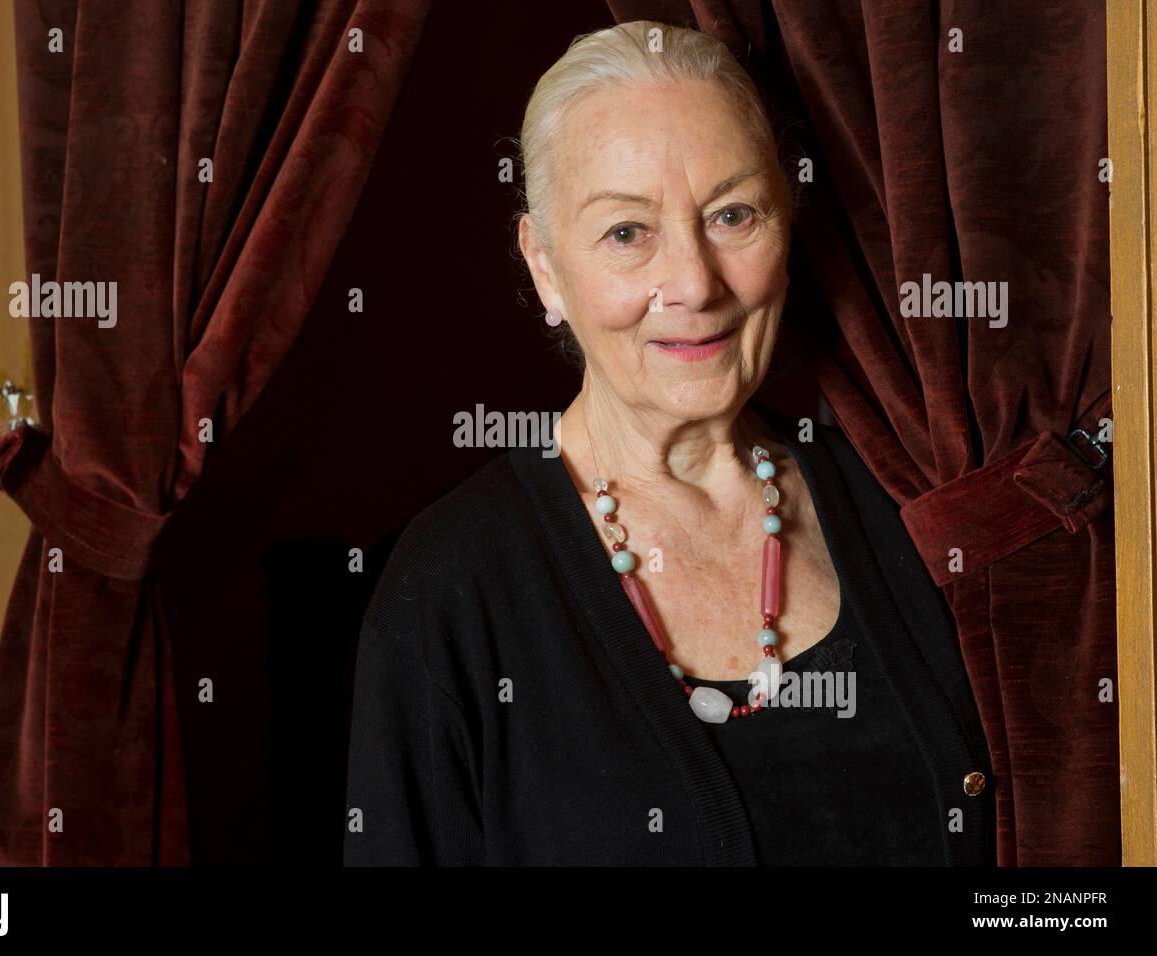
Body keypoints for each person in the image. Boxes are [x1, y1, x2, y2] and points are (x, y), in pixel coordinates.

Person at [343, 20, 994, 866]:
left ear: (788, 230)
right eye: (626, 232)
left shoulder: (904, 498)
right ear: (543, 266)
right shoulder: (451, 588)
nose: (693, 282)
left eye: (732, 214)